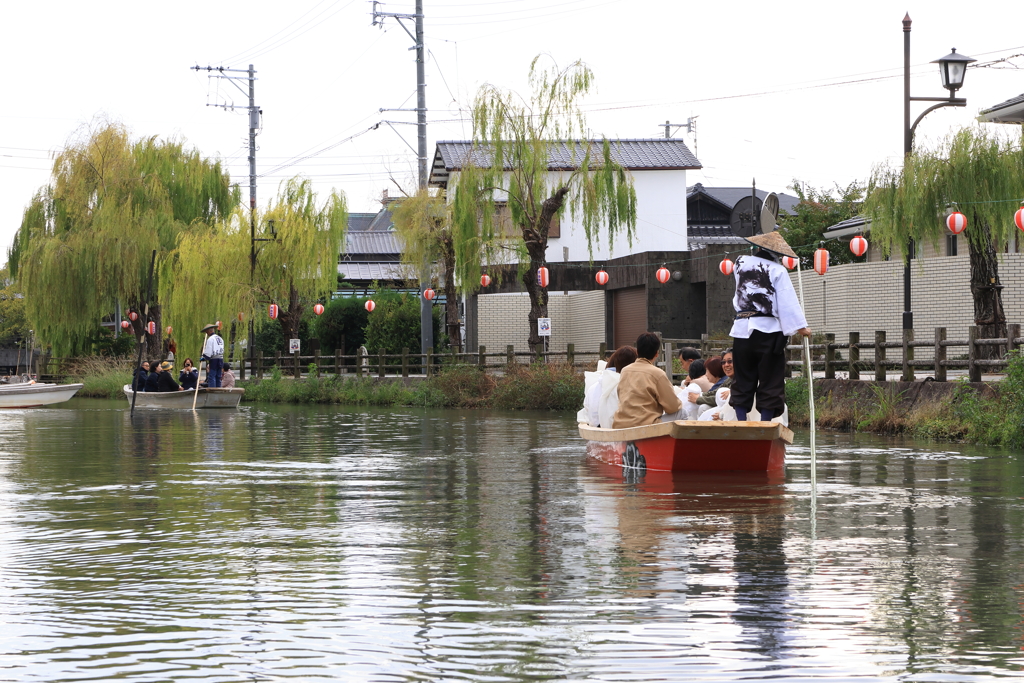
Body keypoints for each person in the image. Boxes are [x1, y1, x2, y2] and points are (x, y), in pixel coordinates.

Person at [729, 229, 812, 422]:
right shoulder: (778, 270)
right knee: (771, 379)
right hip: (768, 332)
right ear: (778, 254)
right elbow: (786, 301)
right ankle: (765, 423)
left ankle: (741, 420)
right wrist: (802, 328)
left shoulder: (740, 263)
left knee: (743, 376)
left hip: (742, 330)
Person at [612, 332, 684, 429]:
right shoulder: (658, 373)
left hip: (621, 424)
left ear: (637, 352)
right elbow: (672, 407)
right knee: (682, 413)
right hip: (646, 425)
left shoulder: (625, 370)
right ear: (656, 353)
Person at [583, 346, 637, 427]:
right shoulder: (624, 385)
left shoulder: (593, 387)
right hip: (616, 433)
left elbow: (587, 411)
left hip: (595, 432)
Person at [201, 324, 225, 388]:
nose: (206, 333)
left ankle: (212, 390)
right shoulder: (220, 338)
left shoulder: (210, 339)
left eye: (206, 332)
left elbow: (209, 350)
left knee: (212, 376)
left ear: (209, 331)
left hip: (214, 359)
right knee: (218, 376)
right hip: (220, 358)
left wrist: (204, 357)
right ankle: (218, 389)